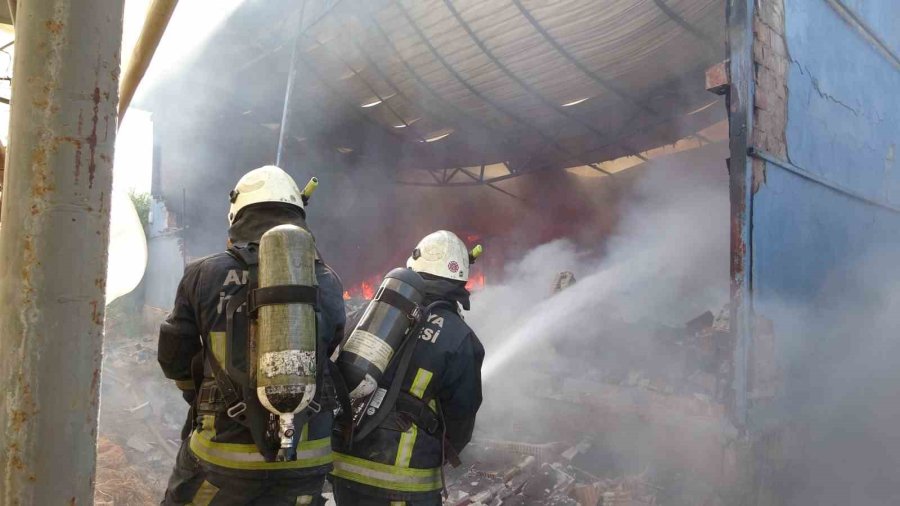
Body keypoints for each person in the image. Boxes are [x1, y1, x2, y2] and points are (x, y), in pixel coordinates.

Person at [157, 165, 345, 505]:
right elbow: (329, 348)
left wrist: (199, 397)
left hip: (224, 456)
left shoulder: (203, 273)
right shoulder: (327, 280)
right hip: (306, 457)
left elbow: (174, 357)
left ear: (237, 214)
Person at [331, 230, 485, 506]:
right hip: (402, 481)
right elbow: (462, 417)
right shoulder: (459, 337)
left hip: (344, 467)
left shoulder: (370, 316)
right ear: (461, 279)